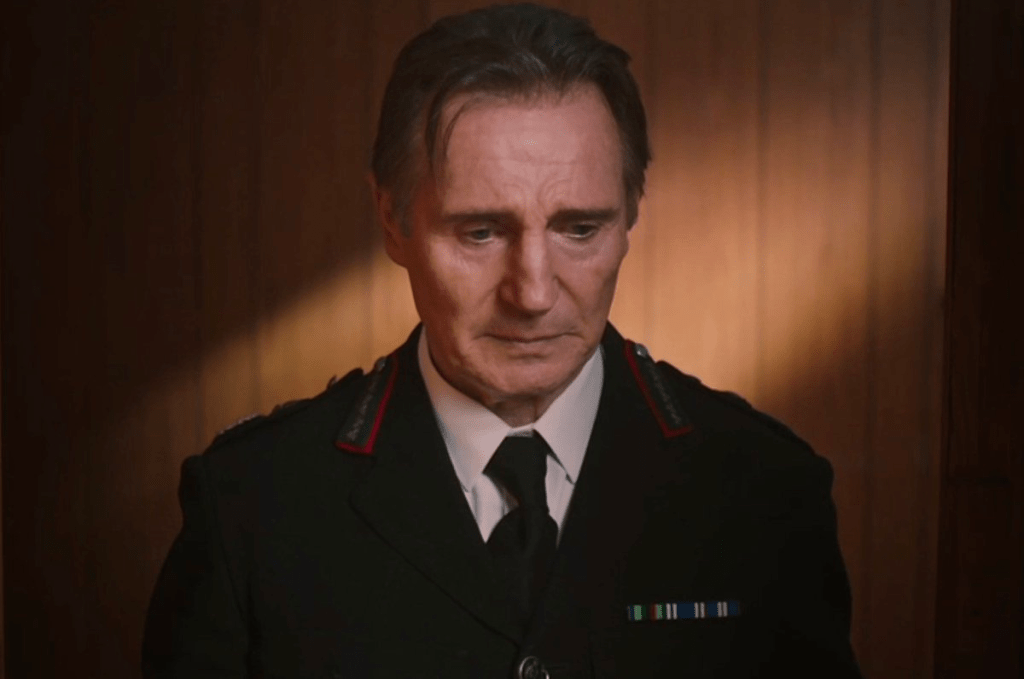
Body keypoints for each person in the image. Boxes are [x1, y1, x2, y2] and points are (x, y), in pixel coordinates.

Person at [142, 4, 862, 678]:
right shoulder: (253, 506)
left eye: (579, 229)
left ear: (630, 218)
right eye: (481, 232)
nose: (533, 293)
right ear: (392, 219)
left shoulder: (765, 491)